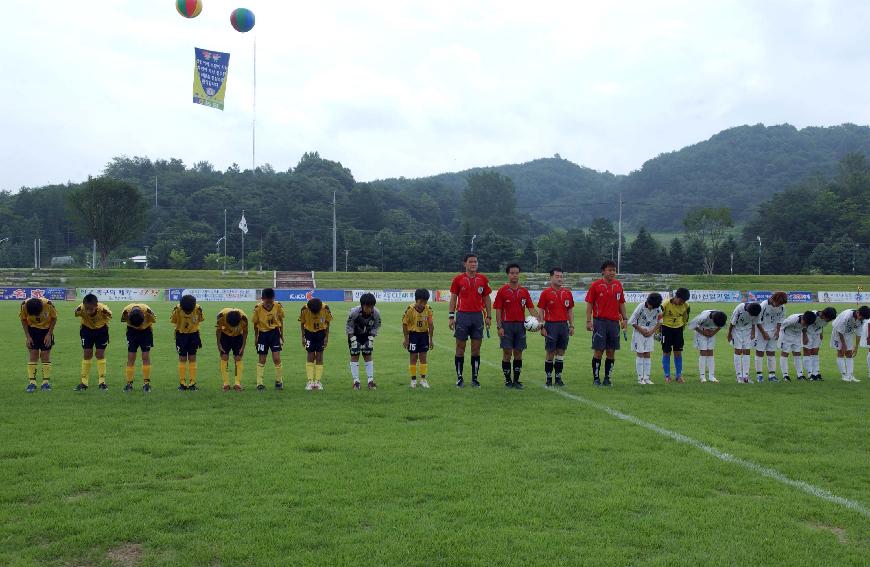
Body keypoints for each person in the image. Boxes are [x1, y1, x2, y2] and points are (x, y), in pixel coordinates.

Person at [448, 253, 492, 388]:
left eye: (476, 262)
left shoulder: (483, 279)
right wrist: (451, 317)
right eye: (471, 262)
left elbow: (487, 299)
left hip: (477, 317)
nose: (474, 264)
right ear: (465, 264)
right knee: (460, 348)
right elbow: (454, 298)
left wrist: (489, 316)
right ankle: (459, 378)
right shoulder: (458, 279)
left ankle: (475, 378)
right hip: (462, 316)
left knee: (476, 349)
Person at [494, 263, 540, 389]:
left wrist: (540, 322)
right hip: (506, 325)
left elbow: (531, 308)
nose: (515, 275)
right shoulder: (502, 291)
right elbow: (498, 310)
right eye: (512, 273)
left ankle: (517, 380)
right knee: (507, 352)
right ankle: (508, 380)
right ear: (508, 274)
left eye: (516, 273)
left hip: (520, 326)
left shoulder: (524, 291)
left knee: (518, 352)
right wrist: (499, 327)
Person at [585, 260, 626, 387]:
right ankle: (596, 378)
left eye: (614, 270)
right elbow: (590, 304)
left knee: (611, 351)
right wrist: (588, 321)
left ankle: (607, 378)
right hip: (600, 322)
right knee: (598, 351)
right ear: (603, 271)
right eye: (609, 270)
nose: (612, 272)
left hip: (614, 323)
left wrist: (624, 319)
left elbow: (621, 303)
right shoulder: (595, 285)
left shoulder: (618, 285)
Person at [538, 268, 575, 387]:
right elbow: (541, 310)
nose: (560, 278)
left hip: (563, 325)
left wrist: (572, 325)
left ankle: (558, 378)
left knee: (561, 352)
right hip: (550, 325)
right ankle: (548, 378)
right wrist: (541, 326)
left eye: (561, 276)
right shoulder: (545, 293)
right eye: (557, 276)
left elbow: (570, 310)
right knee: (550, 352)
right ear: (551, 277)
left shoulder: (567, 293)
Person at [74, 293, 112, 391]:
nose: (88, 311)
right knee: (87, 354)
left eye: (91, 309)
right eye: (86, 309)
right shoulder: (80, 309)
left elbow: (110, 316)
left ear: (96, 306)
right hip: (86, 330)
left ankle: (102, 382)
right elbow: (76, 313)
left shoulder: (104, 309)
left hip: (101, 331)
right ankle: (84, 382)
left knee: (100, 354)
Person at [20, 296, 58, 393]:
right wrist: (28, 336)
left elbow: (54, 318)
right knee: (33, 354)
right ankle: (32, 383)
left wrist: (49, 334)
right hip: (32, 330)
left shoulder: (48, 304)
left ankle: (45, 383)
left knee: (45, 355)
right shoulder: (24, 305)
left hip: (46, 331)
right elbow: (23, 320)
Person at [346, 293, 382, 390]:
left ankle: (370, 381)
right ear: (362, 305)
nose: (369, 309)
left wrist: (371, 339)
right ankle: (356, 382)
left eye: (371, 307)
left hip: (367, 335)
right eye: (367, 307)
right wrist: (353, 340)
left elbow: (376, 326)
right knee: (354, 355)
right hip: (354, 335)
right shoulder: (354, 312)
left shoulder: (376, 313)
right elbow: (349, 326)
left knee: (367, 355)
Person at [252, 287, 285, 391]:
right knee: (262, 359)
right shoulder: (257, 308)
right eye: (267, 302)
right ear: (262, 299)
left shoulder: (278, 306)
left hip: (275, 333)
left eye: (271, 302)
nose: (269, 304)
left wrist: (281, 335)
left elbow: (281, 320)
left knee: (276, 358)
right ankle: (259, 383)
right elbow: (255, 324)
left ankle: (279, 381)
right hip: (262, 335)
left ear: (273, 298)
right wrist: (256, 337)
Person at [170, 294, 204, 391]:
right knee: (182, 358)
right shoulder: (177, 309)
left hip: (193, 335)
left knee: (192, 357)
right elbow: (174, 321)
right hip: (181, 336)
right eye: (186, 311)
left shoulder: (198, 309)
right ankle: (182, 383)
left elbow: (200, 319)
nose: (188, 312)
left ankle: (192, 383)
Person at [120, 302, 157, 392]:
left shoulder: (147, 310)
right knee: (131, 357)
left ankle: (146, 383)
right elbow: (122, 320)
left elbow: (154, 320)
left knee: (145, 356)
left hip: (146, 332)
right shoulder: (126, 311)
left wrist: (145, 323)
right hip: (132, 332)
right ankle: (129, 383)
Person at [403, 289, 435, 388]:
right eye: (421, 302)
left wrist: (431, 339)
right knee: (413, 357)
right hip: (413, 335)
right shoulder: (410, 309)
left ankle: (423, 379)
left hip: (424, 335)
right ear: (416, 300)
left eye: (425, 302)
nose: (423, 304)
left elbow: (431, 325)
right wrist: (406, 339)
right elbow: (404, 324)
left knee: (423, 357)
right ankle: (413, 380)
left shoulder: (428, 309)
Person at [628, 292, 663, 385]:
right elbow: (632, 321)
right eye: (651, 306)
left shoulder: (658, 308)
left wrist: (652, 332)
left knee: (647, 353)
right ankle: (640, 379)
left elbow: (660, 322)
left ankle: (647, 378)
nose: (652, 308)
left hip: (650, 332)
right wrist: (642, 330)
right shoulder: (641, 307)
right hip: (639, 332)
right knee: (640, 353)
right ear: (648, 302)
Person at [300, 297, 333, 390]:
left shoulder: (325, 308)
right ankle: (310, 381)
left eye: (317, 312)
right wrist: (303, 337)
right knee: (310, 355)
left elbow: (328, 322)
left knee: (319, 356)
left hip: (321, 333)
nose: (315, 314)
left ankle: (318, 382)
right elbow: (302, 323)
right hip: (309, 333)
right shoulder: (304, 309)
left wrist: (326, 337)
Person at [830, 305, 870, 382]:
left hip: (848, 333)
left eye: (863, 318)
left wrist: (856, 347)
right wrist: (843, 344)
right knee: (841, 352)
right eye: (861, 317)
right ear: (858, 312)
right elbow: (839, 330)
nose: (861, 319)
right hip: (838, 332)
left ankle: (850, 375)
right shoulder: (847, 316)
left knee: (849, 353)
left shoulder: (862, 320)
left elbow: (858, 334)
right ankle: (844, 375)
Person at [660, 288, 691, 384]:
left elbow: (685, 318)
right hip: (666, 328)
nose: (682, 303)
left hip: (678, 329)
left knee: (678, 352)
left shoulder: (686, 306)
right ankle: (667, 376)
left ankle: (678, 376)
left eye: (684, 301)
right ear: (676, 297)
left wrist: (682, 328)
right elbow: (659, 317)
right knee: (666, 352)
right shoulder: (665, 304)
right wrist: (658, 331)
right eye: (681, 300)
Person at [687, 310, 728, 383]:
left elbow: (721, 325)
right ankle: (702, 377)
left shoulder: (721, 317)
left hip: (712, 334)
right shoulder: (703, 317)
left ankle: (711, 376)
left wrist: (713, 333)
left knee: (710, 353)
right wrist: (703, 332)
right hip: (701, 333)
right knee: (703, 353)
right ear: (712, 319)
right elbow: (691, 325)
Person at [727, 302, 761, 383]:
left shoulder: (757, 310)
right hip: (737, 330)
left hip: (748, 331)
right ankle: (739, 376)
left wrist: (753, 332)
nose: (751, 316)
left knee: (747, 351)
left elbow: (754, 322)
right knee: (738, 351)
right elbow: (732, 322)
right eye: (750, 314)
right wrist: (729, 334)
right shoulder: (739, 308)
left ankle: (745, 376)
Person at [778, 311, 817, 381]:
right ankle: (785, 375)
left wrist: (805, 336)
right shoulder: (792, 319)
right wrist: (780, 339)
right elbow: (781, 327)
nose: (805, 325)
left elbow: (805, 329)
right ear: (802, 318)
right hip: (787, 335)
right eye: (805, 323)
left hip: (797, 336)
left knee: (797, 354)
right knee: (785, 353)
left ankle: (800, 374)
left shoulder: (808, 321)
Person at [216, 307, 248, 391]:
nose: (233, 328)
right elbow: (218, 330)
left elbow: (245, 332)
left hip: (238, 337)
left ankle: (237, 384)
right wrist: (219, 344)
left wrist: (243, 346)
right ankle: (226, 384)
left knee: (238, 358)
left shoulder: (244, 318)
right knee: (224, 357)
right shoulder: (221, 316)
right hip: (225, 336)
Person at [803, 307, 837, 381]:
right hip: (808, 334)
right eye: (829, 319)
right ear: (824, 315)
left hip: (817, 334)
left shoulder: (826, 319)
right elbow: (804, 324)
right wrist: (804, 336)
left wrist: (821, 333)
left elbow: (821, 325)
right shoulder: (813, 315)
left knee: (815, 352)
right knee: (807, 352)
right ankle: (809, 373)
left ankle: (816, 373)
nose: (829, 321)